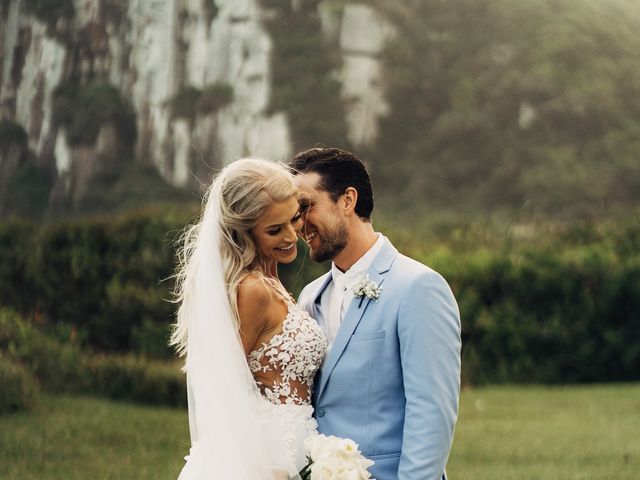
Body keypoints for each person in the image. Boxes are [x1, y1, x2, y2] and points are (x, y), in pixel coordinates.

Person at [291, 147, 462, 480]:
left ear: (347, 200)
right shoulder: (310, 297)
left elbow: (431, 413)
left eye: (306, 206)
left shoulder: (418, 287)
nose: (299, 224)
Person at [170, 158, 327, 479]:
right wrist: (264, 467)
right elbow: (222, 389)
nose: (290, 236)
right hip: (266, 457)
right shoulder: (252, 290)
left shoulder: (269, 279)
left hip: (296, 445)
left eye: (294, 219)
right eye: (274, 230)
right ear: (244, 233)